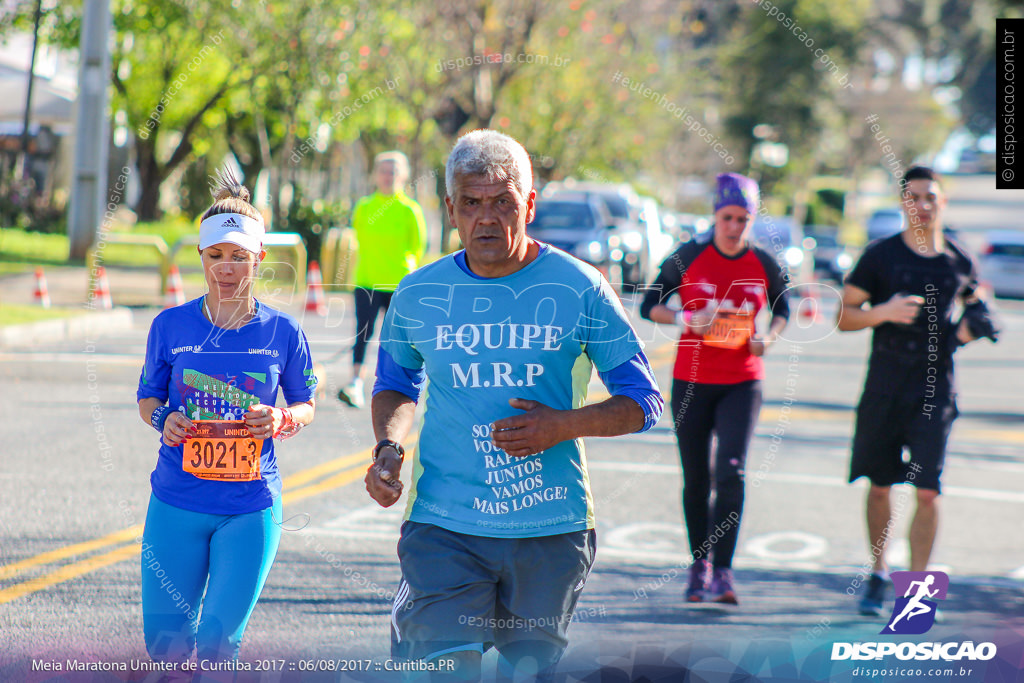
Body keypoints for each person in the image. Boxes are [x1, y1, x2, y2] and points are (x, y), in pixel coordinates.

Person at [364, 129, 663, 681]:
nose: (487, 218)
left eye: (503, 202)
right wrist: (388, 446)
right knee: (443, 671)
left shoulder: (580, 287)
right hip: (444, 527)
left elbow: (644, 401)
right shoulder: (417, 293)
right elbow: (396, 386)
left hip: (551, 528)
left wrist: (563, 425)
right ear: (451, 209)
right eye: (472, 204)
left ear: (528, 204)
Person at [136, 169, 317, 671]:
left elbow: (306, 405)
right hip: (176, 501)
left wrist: (281, 418)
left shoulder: (283, 332)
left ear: (259, 258)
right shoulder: (169, 326)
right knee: (165, 647)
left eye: (239, 256)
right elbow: (148, 397)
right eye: (216, 256)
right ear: (201, 257)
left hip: (250, 506)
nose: (227, 268)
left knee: (218, 646)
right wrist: (164, 420)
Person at [837, 166, 997, 616]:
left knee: (928, 491)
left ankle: (918, 593)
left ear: (942, 203)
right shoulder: (880, 256)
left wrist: (970, 329)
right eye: (914, 197)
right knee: (881, 486)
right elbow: (844, 314)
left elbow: (979, 309)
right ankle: (877, 573)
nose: (922, 206)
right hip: (885, 385)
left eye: (930, 197)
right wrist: (883, 311)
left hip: (935, 390)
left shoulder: (959, 261)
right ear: (903, 203)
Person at [640, 172, 790, 605]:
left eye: (743, 218)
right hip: (691, 380)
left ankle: (723, 570)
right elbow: (650, 304)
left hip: (742, 380)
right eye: (728, 217)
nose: (735, 226)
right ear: (715, 215)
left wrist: (770, 337)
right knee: (697, 478)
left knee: (732, 472)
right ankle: (699, 565)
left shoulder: (763, 261)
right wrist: (687, 320)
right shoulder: (687, 256)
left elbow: (785, 307)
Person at [337, 151, 427, 409]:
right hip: (366, 281)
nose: (388, 177)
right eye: (384, 171)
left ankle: (397, 386)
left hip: (398, 285)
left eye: (394, 172)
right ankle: (355, 384)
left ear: (404, 176)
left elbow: (418, 249)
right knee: (362, 334)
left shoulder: (411, 210)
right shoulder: (364, 207)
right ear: (375, 175)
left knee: (398, 339)